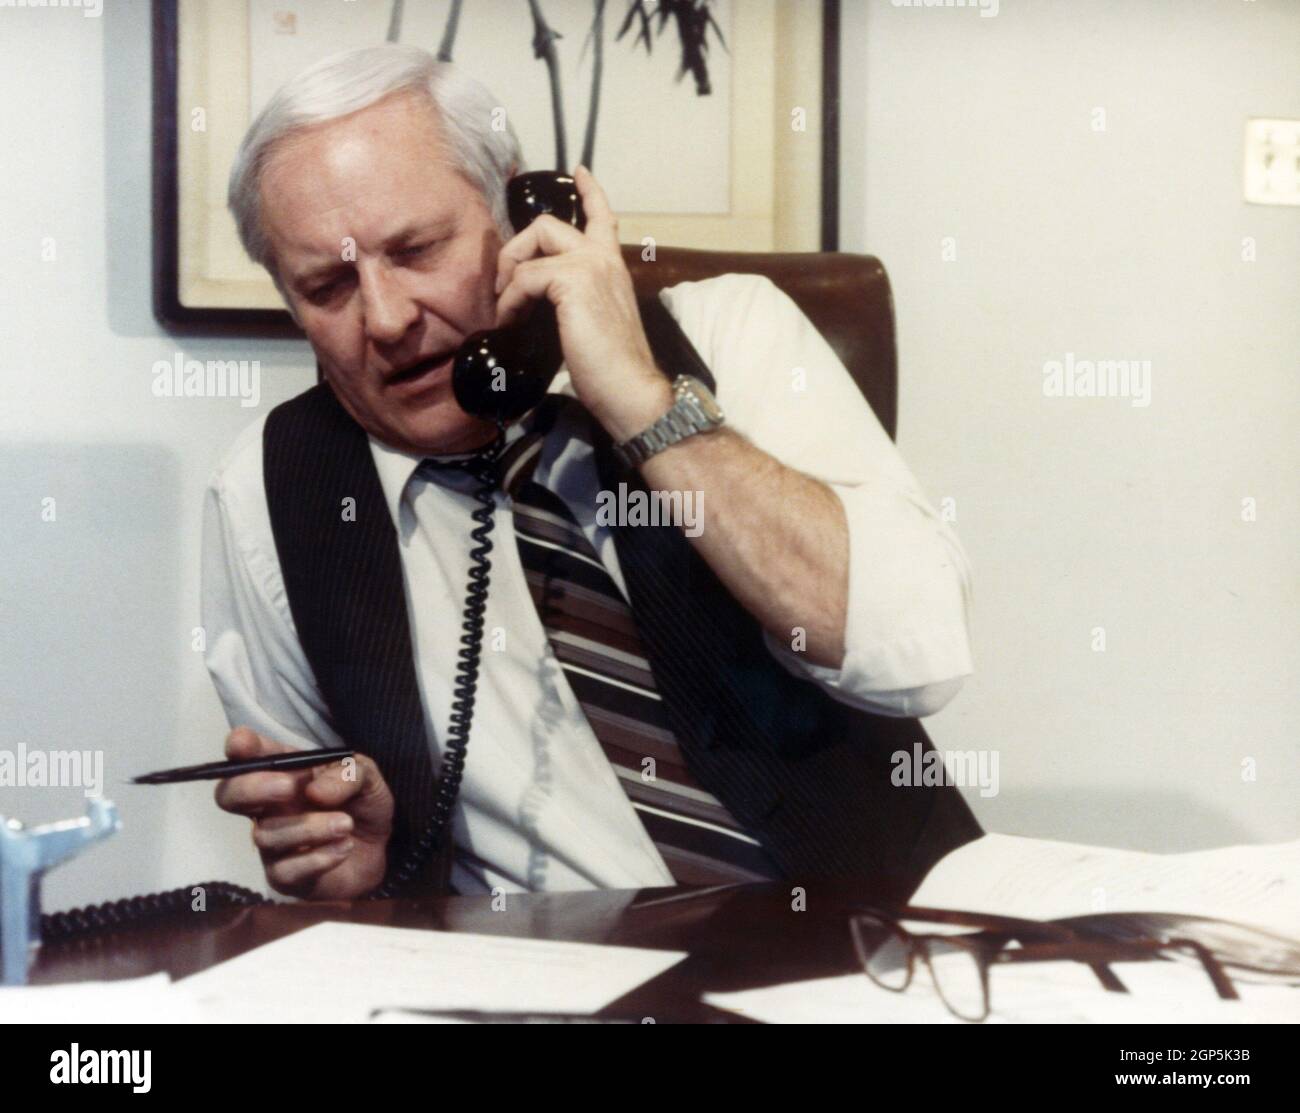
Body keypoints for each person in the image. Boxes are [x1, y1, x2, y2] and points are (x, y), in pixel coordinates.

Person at [204, 44, 981, 901]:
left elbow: (920, 652)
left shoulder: (731, 334)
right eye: (327, 286)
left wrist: (646, 407)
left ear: (517, 210)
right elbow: (326, 842)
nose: (387, 319)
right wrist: (363, 867)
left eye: (418, 250)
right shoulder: (272, 496)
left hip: (880, 962)